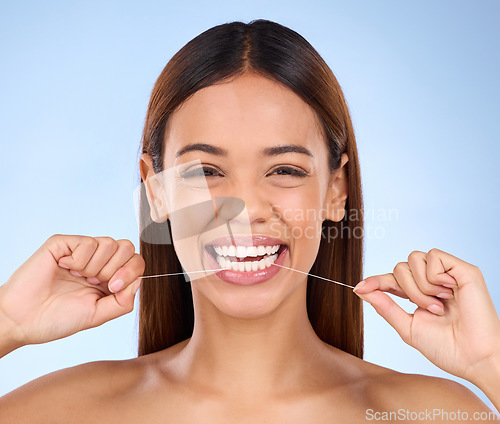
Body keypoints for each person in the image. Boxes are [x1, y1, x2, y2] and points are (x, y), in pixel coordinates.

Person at [0, 19, 499, 423]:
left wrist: (490, 364)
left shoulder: (437, 416)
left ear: (335, 190)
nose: (247, 207)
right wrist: (7, 323)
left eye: (284, 169)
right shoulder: (57, 413)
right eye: (206, 171)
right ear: (155, 191)